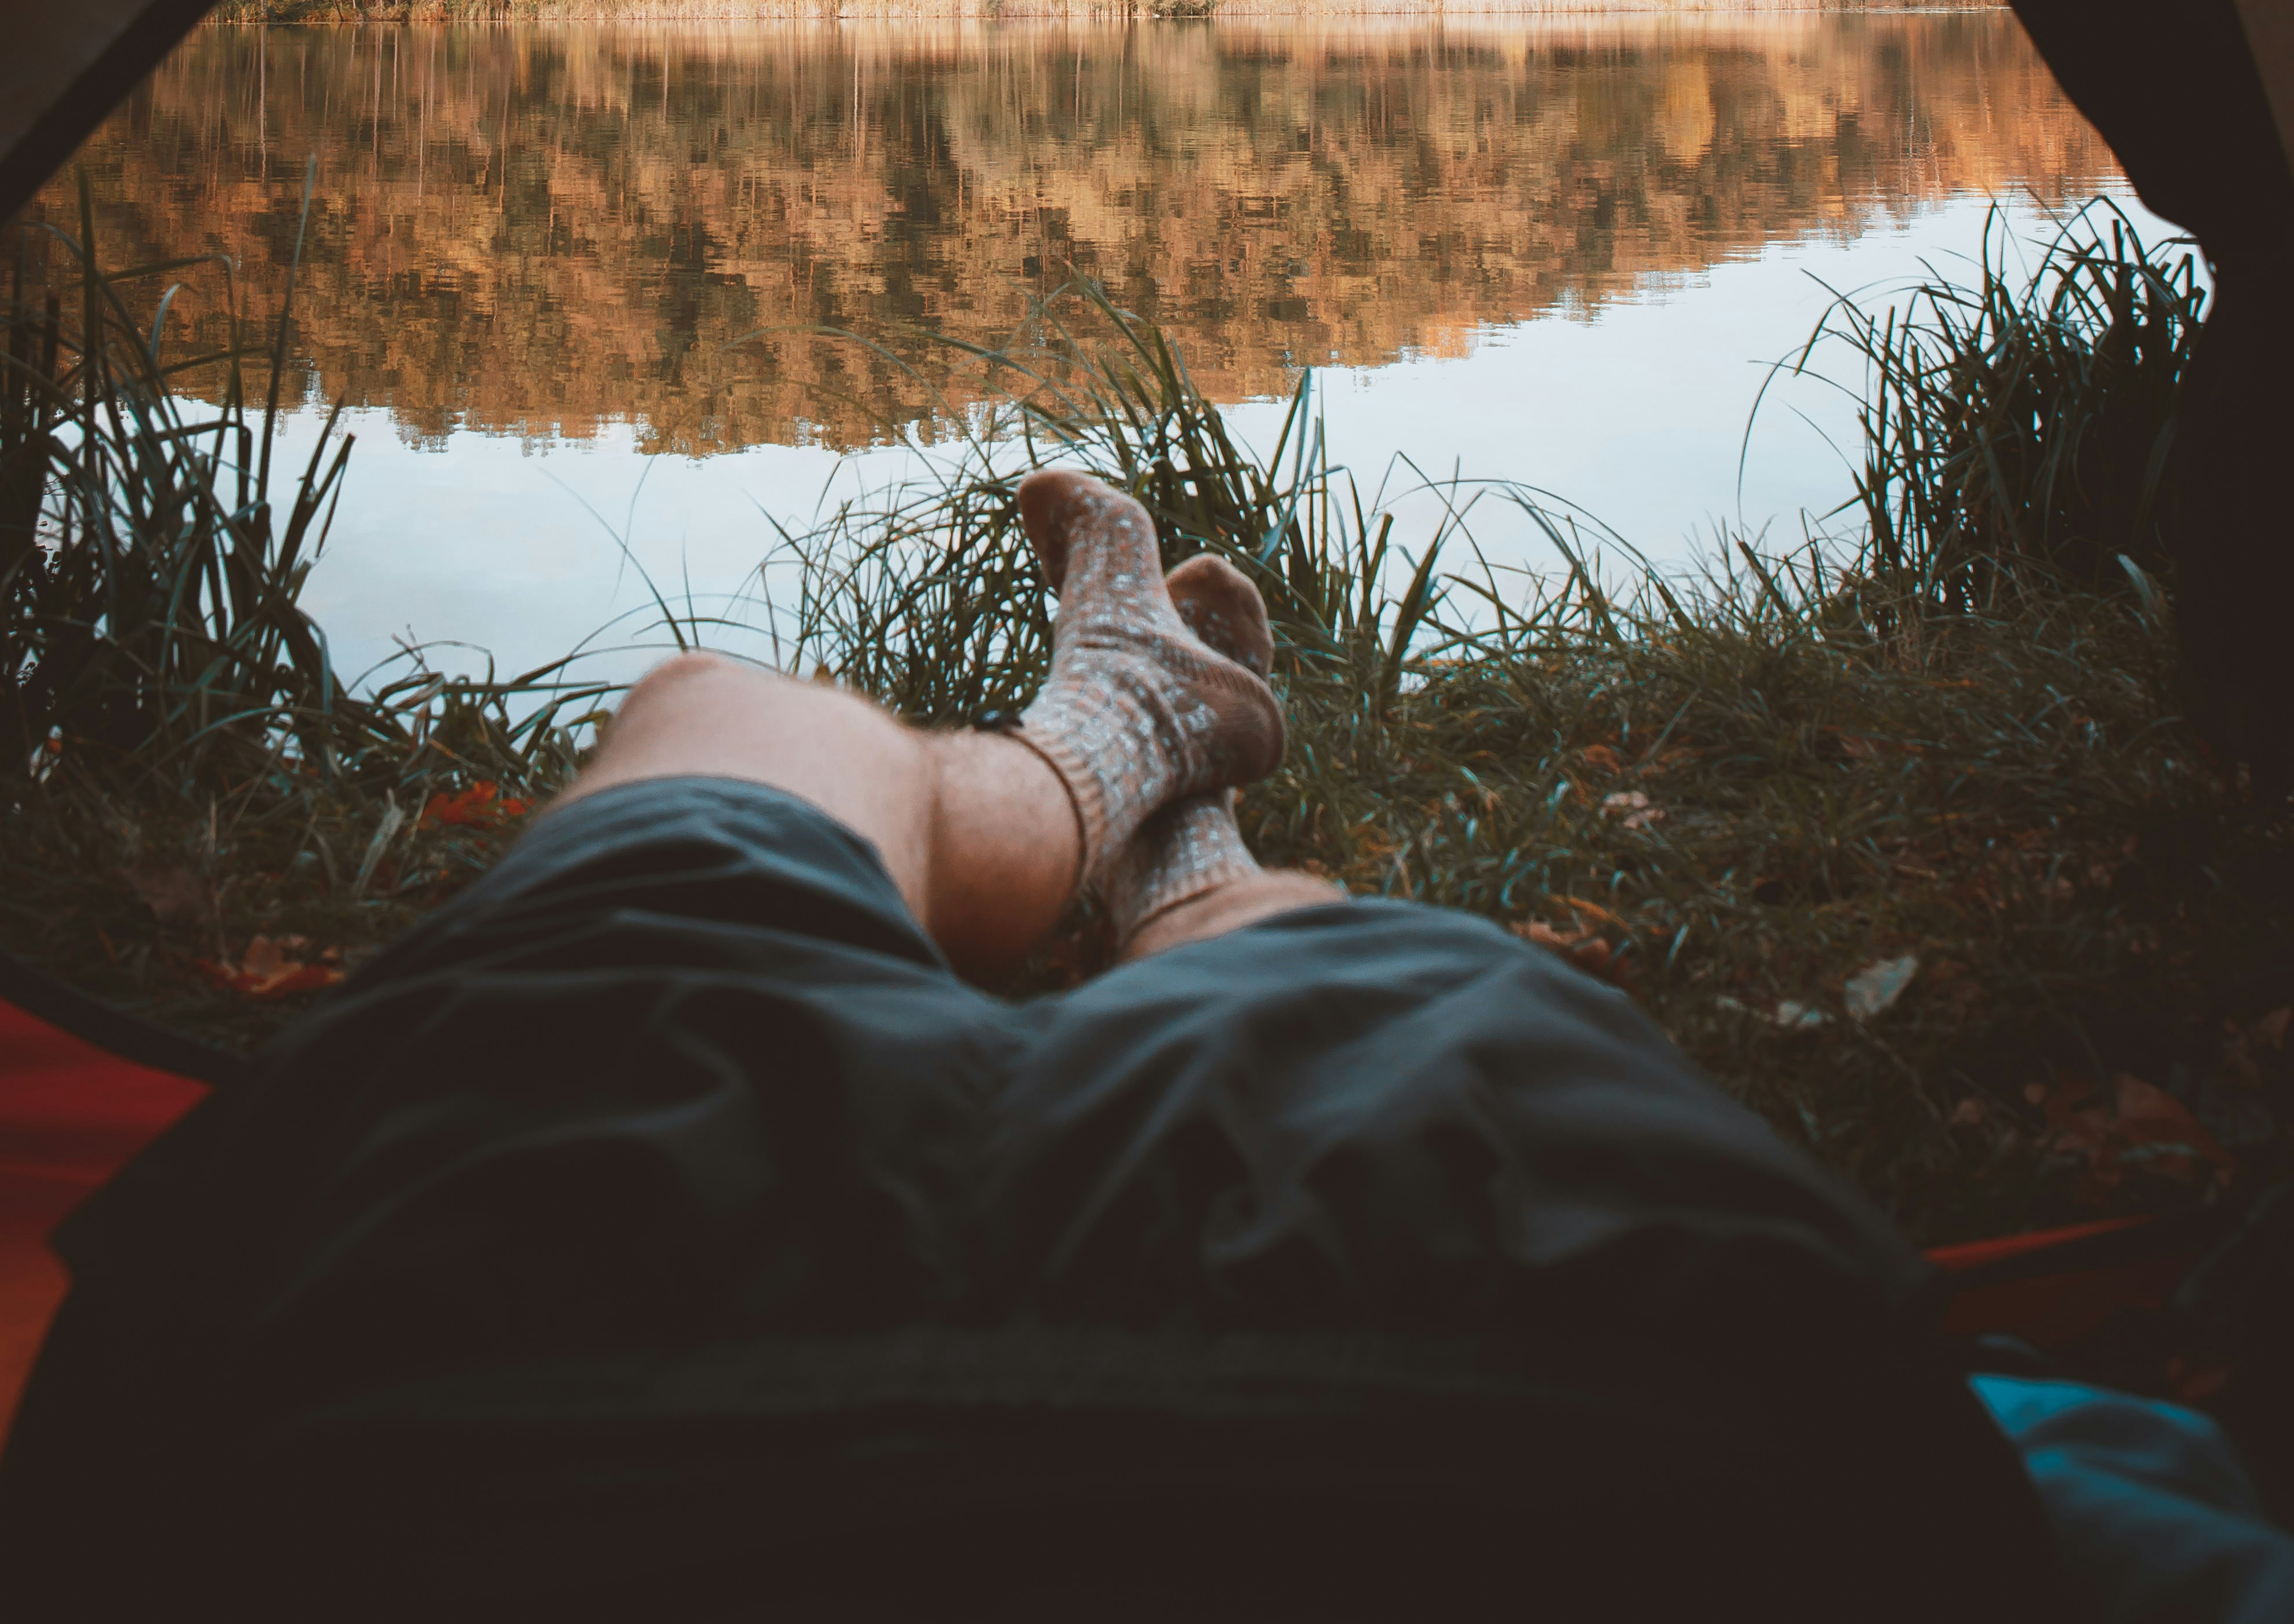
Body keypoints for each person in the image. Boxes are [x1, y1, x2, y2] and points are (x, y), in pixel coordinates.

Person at [0, 478, 2131, 1619]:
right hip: (1566, 1406)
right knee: (1310, 973)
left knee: (729, 718)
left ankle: (1117, 737)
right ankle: (1187, 843)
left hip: (420, 1375)